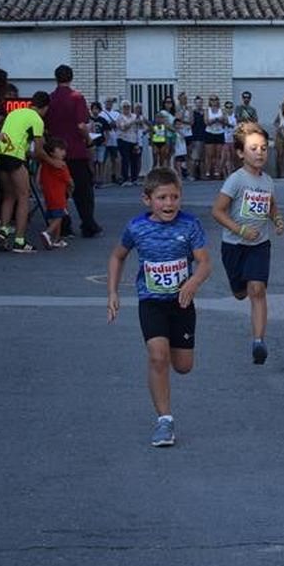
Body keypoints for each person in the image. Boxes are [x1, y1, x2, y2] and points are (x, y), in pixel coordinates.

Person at [106, 166, 212, 448]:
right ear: (147, 199)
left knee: (183, 366)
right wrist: (112, 292)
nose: (169, 204)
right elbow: (117, 256)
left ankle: (168, 369)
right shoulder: (136, 227)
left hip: (182, 303)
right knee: (157, 356)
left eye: (174, 197)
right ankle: (164, 420)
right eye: (162, 198)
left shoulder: (189, 225)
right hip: (151, 301)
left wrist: (193, 282)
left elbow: (204, 262)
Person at [211, 126, 284, 364]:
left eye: (263, 148)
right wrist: (240, 229)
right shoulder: (236, 180)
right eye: (253, 148)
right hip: (233, 246)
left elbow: (271, 205)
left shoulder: (268, 181)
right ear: (241, 153)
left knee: (257, 289)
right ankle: (239, 288)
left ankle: (258, 341)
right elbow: (217, 211)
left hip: (259, 245)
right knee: (240, 293)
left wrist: (277, 219)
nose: (260, 153)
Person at [47, 65, 100, 238]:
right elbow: (81, 125)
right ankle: (88, 224)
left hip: (55, 152)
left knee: (59, 192)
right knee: (83, 191)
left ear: (56, 78)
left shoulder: (50, 98)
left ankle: (63, 226)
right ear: (71, 77)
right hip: (76, 150)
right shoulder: (76, 97)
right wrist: (88, 140)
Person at [0, 92, 48, 254]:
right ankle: (19, 240)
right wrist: (52, 162)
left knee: (9, 195)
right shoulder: (37, 119)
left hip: (0, 153)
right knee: (23, 196)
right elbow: (39, 150)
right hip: (15, 157)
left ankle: (3, 231)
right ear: (45, 108)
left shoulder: (14, 112)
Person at [36, 135, 72, 250]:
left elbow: (39, 178)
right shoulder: (61, 165)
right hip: (59, 195)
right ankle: (47, 233)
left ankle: (56, 239)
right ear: (52, 152)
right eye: (60, 149)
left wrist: (39, 184)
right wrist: (72, 186)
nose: (63, 152)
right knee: (60, 216)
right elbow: (68, 180)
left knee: (54, 216)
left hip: (48, 194)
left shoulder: (45, 164)